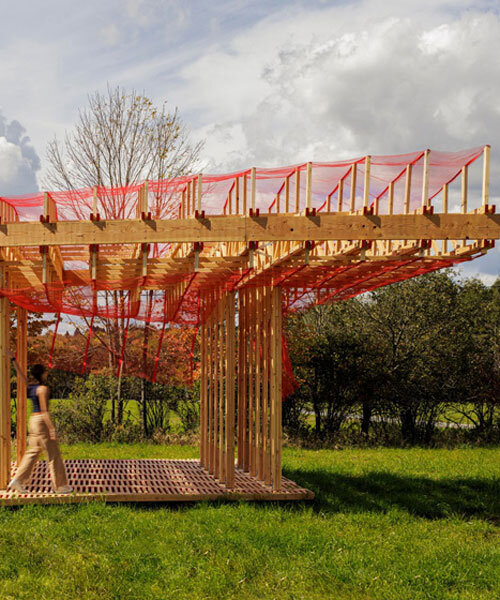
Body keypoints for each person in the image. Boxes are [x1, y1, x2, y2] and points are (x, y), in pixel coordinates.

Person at [8, 361, 72, 494]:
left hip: (32, 421)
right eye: (45, 371)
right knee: (53, 453)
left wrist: (13, 360)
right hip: (42, 422)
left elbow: (21, 376)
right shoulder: (42, 389)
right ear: (42, 373)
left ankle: (17, 480)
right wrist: (52, 428)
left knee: (33, 451)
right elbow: (44, 411)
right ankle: (60, 486)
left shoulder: (31, 386)